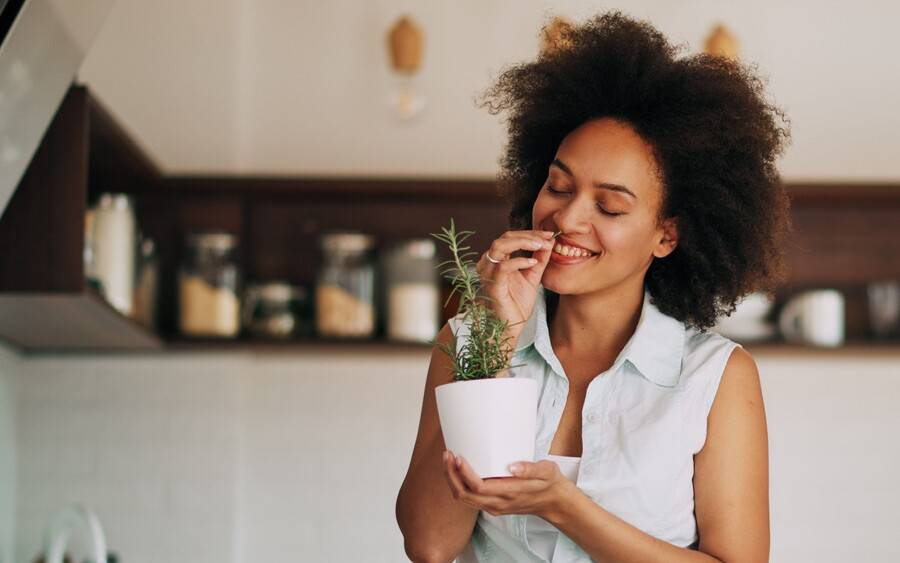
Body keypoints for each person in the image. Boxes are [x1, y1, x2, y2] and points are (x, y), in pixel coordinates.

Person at [396, 11, 789, 563]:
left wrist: (565, 507)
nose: (567, 218)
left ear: (666, 236)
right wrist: (494, 345)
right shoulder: (470, 341)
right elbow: (429, 544)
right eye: (558, 186)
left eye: (609, 205)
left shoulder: (715, 377)